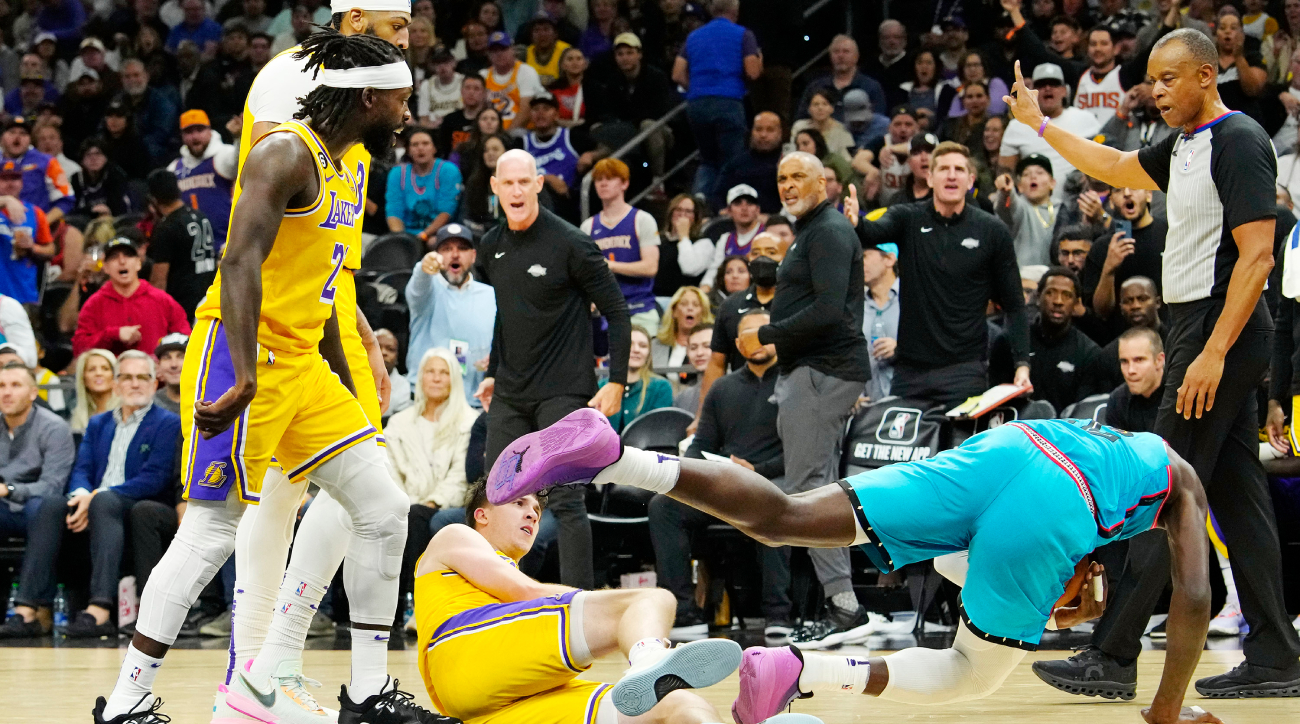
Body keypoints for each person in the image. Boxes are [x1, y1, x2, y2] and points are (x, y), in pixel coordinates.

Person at [486, 395, 1218, 724]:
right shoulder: (1181, 485)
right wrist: (1161, 708)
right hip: (1051, 502)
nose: (1071, 599)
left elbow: (1004, 543)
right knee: (972, 675)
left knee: (787, 517)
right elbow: (1192, 598)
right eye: (1075, 594)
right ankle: (804, 671)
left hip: (1013, 447)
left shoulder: (1124, 446)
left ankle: (619, 457)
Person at [92, 31, 439, 724]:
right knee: (211, 532)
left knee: (381, 508)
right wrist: (245, 372)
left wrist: (351, 374)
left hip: (306, 361)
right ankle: (126, 699)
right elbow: (240, 260)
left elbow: (329, 285)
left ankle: (368, 692)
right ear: (368, 96)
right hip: (240, 354)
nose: (409, 112)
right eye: (402, 99)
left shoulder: (356, 166)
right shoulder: (284, 151)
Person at [1004, 28, 1300, 697]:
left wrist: (1212, 354)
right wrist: (1042, 125)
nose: (1156, 90)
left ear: (1205, 74)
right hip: (1197, 325)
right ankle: (1279, 654)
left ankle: (1111, 657)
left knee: (1155, 487)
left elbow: (1258, 257)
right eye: (1152, 80)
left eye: (1169, 79)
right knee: (1235, 499)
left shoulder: (1240, 140)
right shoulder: (1183, 144)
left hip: (1222, 327)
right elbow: (1114, 166)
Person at [212, 11, 424, 724]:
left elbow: (331, 247)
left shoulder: (363, 108)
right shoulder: (293, 83)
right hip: (278, 327)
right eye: (397, 23)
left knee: (363, 493)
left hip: (331, 311)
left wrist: (361, 330)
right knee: (275, 499)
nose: (409, 35)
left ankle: (277, 661)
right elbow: (264, 240)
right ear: (355, 20)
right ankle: (253, 672)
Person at [412, 477, 746, 724]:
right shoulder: (456, 535)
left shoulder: (502, 579)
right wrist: (614, 615)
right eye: (519, 504)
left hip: (492, 708)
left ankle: (650, 664)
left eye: (537, 510)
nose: (532, 514)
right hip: (466, 656)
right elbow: (525, 593)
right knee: (649, 601)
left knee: (677, 705)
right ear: (482, 515)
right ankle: (648, 658)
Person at [473, 148, 630, 592]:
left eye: (525, 182)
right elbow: (507, 313)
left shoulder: (571, 242)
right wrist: (494, 370)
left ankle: (580, 604)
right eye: (509, 183)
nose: (517, 190)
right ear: (496, 188)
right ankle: (495, 599)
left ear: (539, 184)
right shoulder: (492, 246)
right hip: (511, 390)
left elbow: (617, 311)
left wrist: (616, 379)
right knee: (493, 495)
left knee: (565, 499)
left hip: (563, 389)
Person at [734, 151, 870, 646]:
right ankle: (841, 606)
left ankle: (846, 609)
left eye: (798, 177)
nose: (788, 185)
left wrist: (768, 332)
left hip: (824, 370)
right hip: (812, 371)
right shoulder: (814, 232)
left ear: (823, 182)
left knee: (810, 490)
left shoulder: (829, 231)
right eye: (782, 178)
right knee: (812, 487)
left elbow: (830, 310)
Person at [845, 142, 1032, 409]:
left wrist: (1022, 364)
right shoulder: (907, 218)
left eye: (959, 169)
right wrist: (856, 222)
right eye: (943, 169)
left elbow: (1014, 304)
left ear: (970, 181)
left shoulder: (992, 231)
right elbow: (873, 232)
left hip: (965, 372)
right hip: (910, 371)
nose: (951, 175)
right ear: (930, 178)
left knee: (957, 451)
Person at [654, 310, 789, 640]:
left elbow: (806, 451)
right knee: (663, 506)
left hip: (772, 482)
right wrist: (696, 474)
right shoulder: (722, 388)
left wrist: (758, 470)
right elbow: (701, 445)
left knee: (776, 501)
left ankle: (778, 612)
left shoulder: (794, 383)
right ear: (737, 345)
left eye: (761, 332)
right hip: (724, 484)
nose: (754, 341)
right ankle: (684, 613)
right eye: (746, 336)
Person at [61, 351, 181, 639]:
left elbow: (154, 478)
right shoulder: (98, 423)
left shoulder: (169, 423)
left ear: (155, 385)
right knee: (52, 507)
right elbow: (82, 469)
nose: (135, 384)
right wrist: (80, 495)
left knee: (103, 501)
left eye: (143, 377)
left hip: (144, 503)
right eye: (127, 377)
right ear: (116, 385)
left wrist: (97, 495)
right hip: (100, 503)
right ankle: (32, 609)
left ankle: (100, 607)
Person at [386, 347, 479, 617]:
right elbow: (390, 470)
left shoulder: (469, 422)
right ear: (421, 378)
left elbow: (461, 476)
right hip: (404, 504)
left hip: (446, 506)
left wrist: (430, 502)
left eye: (444, 373)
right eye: (430, 372)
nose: (436, 378)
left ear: (454, 380)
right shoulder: (398, 423)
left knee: (417, 517)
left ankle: (414, 603)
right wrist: (401, 503)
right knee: (401, 517)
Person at [1003, 0, 1177, 126]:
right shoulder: (1077, 73)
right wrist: (1014, 13)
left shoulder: (1126, 73)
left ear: (1116, 49)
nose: (1098, 48)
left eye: (1103, 44)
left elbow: (1154, 48)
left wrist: (1175, 8)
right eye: (1093, 44)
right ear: (1087, 49)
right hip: (1083, 147)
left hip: (1117, 146)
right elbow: (1040, 53)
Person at [0, 361, 76, 640]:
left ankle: (26, 611)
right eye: (1, 386)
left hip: (38, 508)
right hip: (6, 508)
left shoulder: (54, 427)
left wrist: (9, 489)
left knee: (48, 508)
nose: (6, 393)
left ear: (33, 393)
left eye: (15, 385)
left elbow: (53, 486)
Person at [673, 0, 763, 195]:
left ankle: (700, 204)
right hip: (728, 102)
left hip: (697, 104)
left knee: (707, 161)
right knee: (733, 161)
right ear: (735, 11)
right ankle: (730, 206)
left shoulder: (694, 36)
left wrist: (696, 88)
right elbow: (753, 72)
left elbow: (677, 74)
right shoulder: (743, 35)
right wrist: (759, 59)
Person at [992, 266, 1104, 412]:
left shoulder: (1089, 353)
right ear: (1038, 297)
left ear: (1076, 304)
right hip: (1016, 430)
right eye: (1051, 293)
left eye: (1067, 295)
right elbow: (994, 399)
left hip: (1062, 433)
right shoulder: (1009, 341)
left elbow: (1082, 413)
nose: (1058, 301)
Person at [406, 223, 496, 405]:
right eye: (446, 249)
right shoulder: (427, 289)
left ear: (473, 256)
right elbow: (418, 286)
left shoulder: (491, 295)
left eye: (462, 248)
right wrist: (423, 267)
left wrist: (494, 360)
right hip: (427, 402)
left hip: (474, 401)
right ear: (437, 256)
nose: (455, 254)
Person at [697, 233, 783, 410]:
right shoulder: (730, 305)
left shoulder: (800, 302)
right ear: (749, 258)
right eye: (756, 253)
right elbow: (716, 363)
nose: (763, 258)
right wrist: (701, 415)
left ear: (785, 257)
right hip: (742, 400)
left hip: (788, 398)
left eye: (771, 252)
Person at [72, 236, 191, 359]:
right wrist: (113, 334)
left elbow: (187, 340)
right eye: (114, 257)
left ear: (138, 263)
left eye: (128, 255)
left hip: (155, 375)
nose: (122, 261)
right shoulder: (94, 305)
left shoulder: (162, 300)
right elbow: (79, 349)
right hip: (111, 376)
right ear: (105, 267)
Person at [999, 62, 1101, 202]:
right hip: (1032, 207)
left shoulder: (1086, 120)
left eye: (1054, 84)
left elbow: (1103, 161)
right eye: (1041, 84)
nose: (1048, 88)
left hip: (1077, 204)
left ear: (1065, 90)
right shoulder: (1017, 125)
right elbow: (1005, 171)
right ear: (1032, 92)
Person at [582, 158, 660, 330]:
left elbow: (650, 267)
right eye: (599, 179)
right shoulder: (588, 226)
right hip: (605, 311)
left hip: (639, 307)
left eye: (609, 179)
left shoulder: (642, 220)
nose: (603, 184)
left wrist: (610, 265)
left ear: (624, 183)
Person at [1083, 185, 1167, 320]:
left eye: (1134, 186)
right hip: (1121, 336)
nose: (1127, 193)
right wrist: (1109, 270)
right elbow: (1100, 312)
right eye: (1118, 190)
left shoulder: (1170, 234)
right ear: (1111, 201)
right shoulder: (1102, 247)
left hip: (1167, 334)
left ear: (1149, 195)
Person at [601, 32, 677, 180]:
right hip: (627, 130)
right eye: (620, 54)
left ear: (639, 54)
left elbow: (659, 112)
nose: (625, 58)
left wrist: (633, 123)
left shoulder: (656, 77)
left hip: (660, 130)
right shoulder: (613, 81)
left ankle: (658, 181)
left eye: (630, 53)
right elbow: (608, 111)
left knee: (648, 125)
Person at [145, 169, 216, 320]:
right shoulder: (201, 216)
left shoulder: (166, 227)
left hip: (183, 309)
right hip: (210, 300)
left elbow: (159, 280)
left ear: (154, 199)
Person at [165, 109, 236, 254]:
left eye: (199, 130)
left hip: (226, 245)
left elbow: (240, 160)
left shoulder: (223, 155)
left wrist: (239, 137)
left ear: (210, 131)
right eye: (189, 132)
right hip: (191, 253)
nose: (195, 136)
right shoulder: (174, 168)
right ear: (182, 136)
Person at [522, 92, 597, 222]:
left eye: (546, 109)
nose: (540, 113)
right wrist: (547, 179)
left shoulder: (572, 137)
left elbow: (607, 149)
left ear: (556, 114)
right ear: (530, 115)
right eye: (536, 109)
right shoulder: (521, 143)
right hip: (535, 203)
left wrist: (591, 154)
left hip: (568, 203)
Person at [385, 126, 462, 241]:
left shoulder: (448, 170)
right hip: (407, 235)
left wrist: (423, 236)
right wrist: (401, 240)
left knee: (433, 242)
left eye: (425, 144)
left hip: (439, 233)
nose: (420, 148)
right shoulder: (397, 174)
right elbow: (394, 212)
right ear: (408, 150)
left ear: (434, 148)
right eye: (415, 145)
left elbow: (446, 211)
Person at [796, 34, 886, 126]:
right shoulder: (815, 87)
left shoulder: (871, 87)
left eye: (846, 51)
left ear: (856, 56)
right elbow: (802, 120)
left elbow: (878, 124)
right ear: (830, 56)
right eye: (836, 52)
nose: (840, 56)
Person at [597, 325, 673, 432]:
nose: (636, 350)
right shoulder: (602, 387)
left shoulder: (661, 387)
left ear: (648, 353)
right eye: (630, 344)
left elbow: (659, 431)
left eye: (643, 346)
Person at [0, 116, 73, 223]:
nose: (17, 137)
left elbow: (67, 198)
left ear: (30, 139)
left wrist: (42, 225)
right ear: (2, 137)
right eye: (12, 132)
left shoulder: (48, 162)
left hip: (36, 225)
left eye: (23, 133)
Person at [993, 154, 1062, 267]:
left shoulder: (1063, 209)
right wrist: (1006, 192)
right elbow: (1006, 208)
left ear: (1052, 183)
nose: (1033, 177)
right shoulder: (1021, 208)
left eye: (1040, 172)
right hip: (1024, 278)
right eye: (1026, 174)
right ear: (1019, 186)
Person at [1097, 276, 1164, 388]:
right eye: (1128, 301)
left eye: (1142, 299)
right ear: (1121, 308)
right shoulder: (1109, 355)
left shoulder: (1176, 343)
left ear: (1157, 302)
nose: (1135, 306)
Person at [0, 168, 54, 305]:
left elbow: (51, 250)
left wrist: (32, 247)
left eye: (15, 179)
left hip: (23, 293)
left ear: (22, 183)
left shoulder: (35, 213)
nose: (10, 184)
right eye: (4, 179)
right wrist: (6, 200)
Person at [711, 111, 783, 213]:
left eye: (770, 130)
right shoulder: (736, 163)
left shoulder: (788, 163)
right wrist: (723, 211)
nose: (763, 135)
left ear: (780, 133)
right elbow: (718, 195)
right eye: (758, 129)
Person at [116, 59, 179, 168]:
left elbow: (161, 134)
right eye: (127, 76)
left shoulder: (161, 102)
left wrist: (131, 147)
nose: (132, 80)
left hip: (153, 153)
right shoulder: (117, 101)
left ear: (146, 76)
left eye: (136, 75)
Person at [701, 183, 764, 290]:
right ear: (729, 211)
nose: (744, 208)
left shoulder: (766, 235)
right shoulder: (725, 239)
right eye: (738, 203)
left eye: (749, 203)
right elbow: (715, 270)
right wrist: (704, 288)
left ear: (758, 210)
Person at [480, 30, 542, 131]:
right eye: (494, 51)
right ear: (488, 54)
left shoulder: (526, 72)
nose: (499, 54)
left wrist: (504, 136)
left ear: (513, 50)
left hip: (521, 131)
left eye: (503, 49)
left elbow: (526, 112)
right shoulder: (483, 75)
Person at [655, 193, 713, 297]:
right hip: (654, 297)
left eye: (688, 211)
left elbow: (689, 268)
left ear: (695, 217)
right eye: (678, 210)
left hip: (683, 300)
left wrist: (684, 236)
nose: (682, 215)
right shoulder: (658, 239)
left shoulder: (704, 243)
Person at [862, 243, 899, 402]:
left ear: (889, 259)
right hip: (869, 409)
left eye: (864, 256)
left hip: (909, 403)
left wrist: (902, 348)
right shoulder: (854, 307)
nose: (857, 262)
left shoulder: (915, 298)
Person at [70, 137, 134, 218]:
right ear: (82, 161)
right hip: (85, 223)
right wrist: (92, 210)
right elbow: (71, 210)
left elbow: (123, 208)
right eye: (88, 155)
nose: (93, 159)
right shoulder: (76, 179)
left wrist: (106, 210)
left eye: (98, 154)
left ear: (106, 158)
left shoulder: (116, 175)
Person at [652, 285, 712, 370]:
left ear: (703, 313)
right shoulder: (655, 345)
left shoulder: (714, 344)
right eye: (684, 304)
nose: (690, 308)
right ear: (674, 311)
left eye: (696, 305)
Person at [69, 348, 120, 434]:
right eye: (92, 369)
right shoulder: (77, 416)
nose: (98, 373)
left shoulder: (126, 411)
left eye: (105, 369)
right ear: (83, 378)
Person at [438, 73, 486, 154]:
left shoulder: (489, 119)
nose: (471, 92)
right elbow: (443, 150)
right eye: (467, 88)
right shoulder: (450, 120)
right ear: (461, 91)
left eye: (476, 89)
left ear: (484, 93)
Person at [417, 44, 463, 126]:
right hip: (435, 130)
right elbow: (423, 120)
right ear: (432, 66)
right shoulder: (426, 85)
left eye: (445, 61)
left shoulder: (463, 82)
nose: (442, 67)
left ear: (454, 62)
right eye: (438, 63)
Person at [673, 324, 713, 412]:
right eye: (693, 348)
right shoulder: (683, 398)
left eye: (707, 346)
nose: (699, 353)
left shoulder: (736, 389)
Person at [523, 10, 569, 86]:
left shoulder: (566, 53)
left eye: (546, 29)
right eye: (537, 30)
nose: (542, 34)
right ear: (531, 35)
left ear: (555, 34)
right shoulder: (524, 54)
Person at [372, 328, 410, 411]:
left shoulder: (403, 386)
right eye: (378, 347)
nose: (383, 352)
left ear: (397, 358)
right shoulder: (352, 378)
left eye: (390, 349)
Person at [153, 333, 186, 413]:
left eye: (181, 356)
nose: (174, 364)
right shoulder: (150, 406)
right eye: (167, 358)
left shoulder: (210, 401)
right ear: (158, 366)